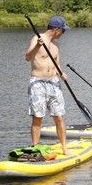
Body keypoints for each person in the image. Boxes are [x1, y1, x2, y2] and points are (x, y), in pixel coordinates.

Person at [25, 16, 71, 155]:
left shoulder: (56, 45)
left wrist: (61, 73)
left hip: (54, 83)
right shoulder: (37, 38)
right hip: (38, 82)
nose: (64, 33)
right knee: (38, 117)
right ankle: (36, 147)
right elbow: (28, 57)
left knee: (59, 117)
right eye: (63, 30)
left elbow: (57, 63)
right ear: (56, 29)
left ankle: (64, 147)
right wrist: (38, 46)